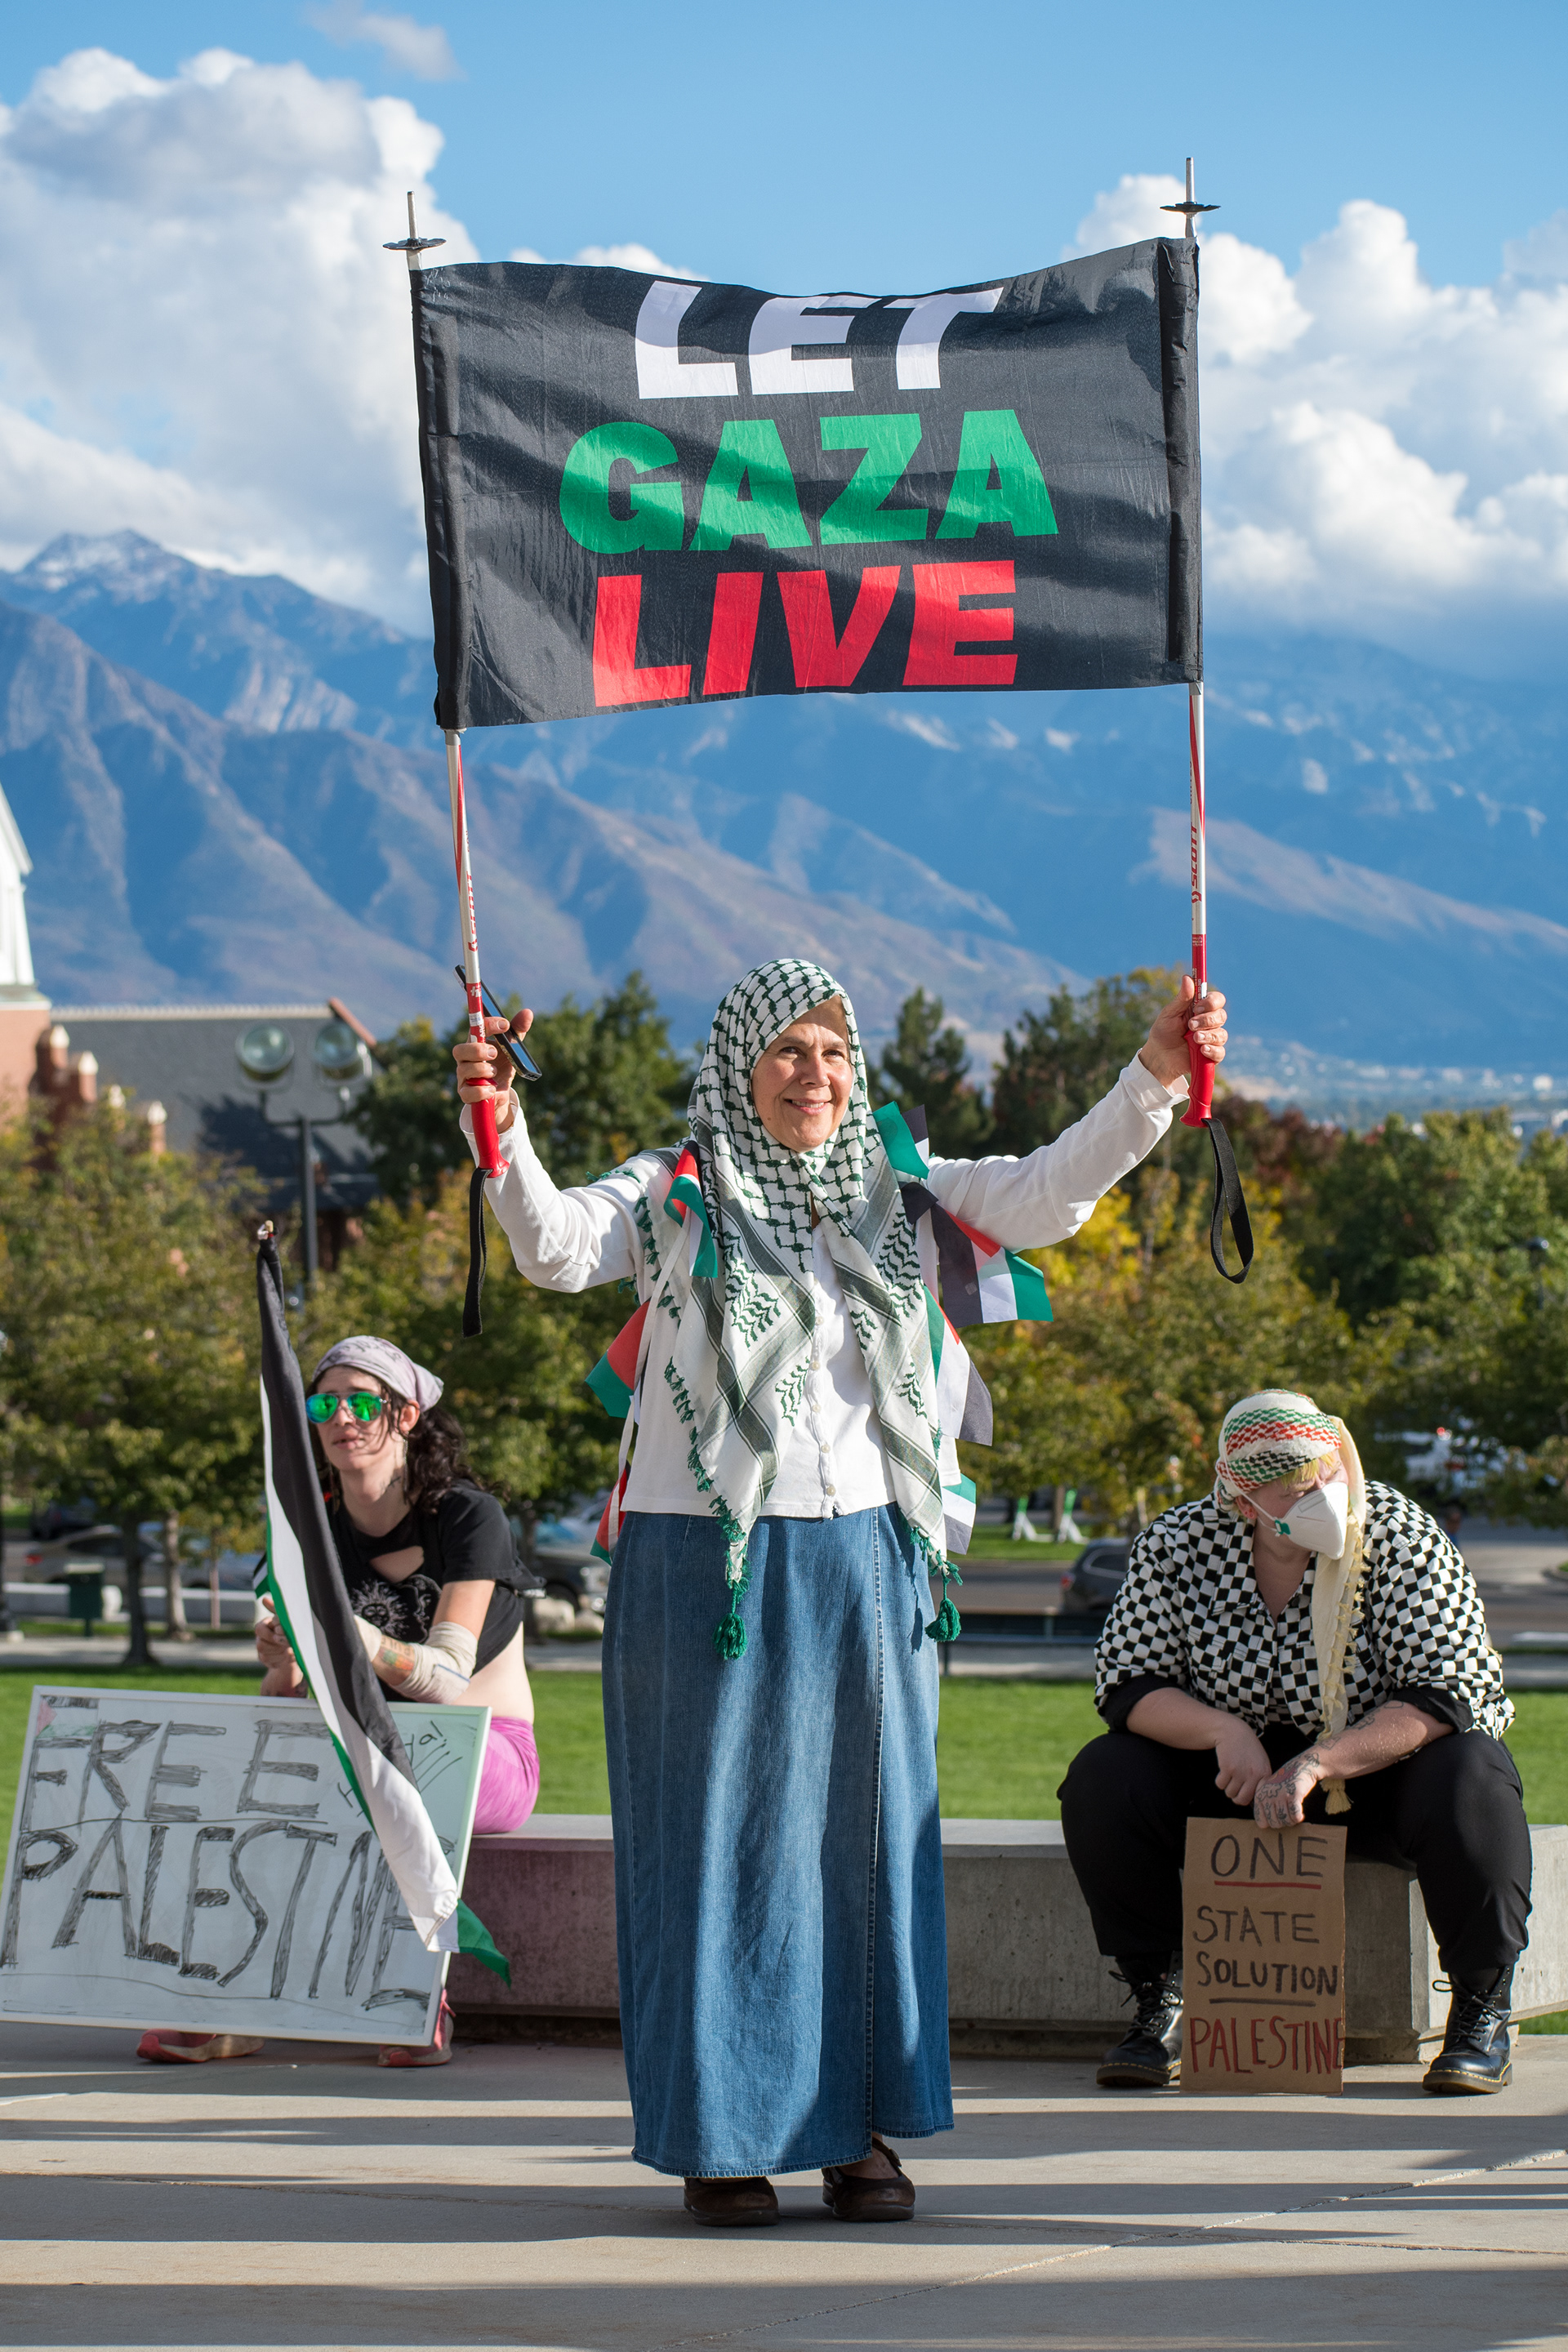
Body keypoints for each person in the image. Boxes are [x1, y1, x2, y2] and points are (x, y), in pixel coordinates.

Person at [455, 956, 1227, 2224]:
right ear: (739, 1067)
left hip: (872, 1555)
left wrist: (1156, 1074)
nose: (814, 1076)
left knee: (868, 1847)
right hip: (704, 1564)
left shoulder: (900, 1193)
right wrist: (500, 1119)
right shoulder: (671, 1191)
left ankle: (861, 2128)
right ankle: (724, 2137)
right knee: (718, 1850)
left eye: (833, 1054)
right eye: (788, 1052)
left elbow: (1046, 1192)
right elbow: (551, 1246)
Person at [1058, 1389, 1530, 2098]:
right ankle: (1164, 2003)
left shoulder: (1399, 1535)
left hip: (1373, 1772)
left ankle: (1481, 2011)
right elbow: (1128, 1683)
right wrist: (1226, 1732)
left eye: (1326, 1477)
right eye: (1298, 1492)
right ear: (1246, 1503)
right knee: (1104, 1776)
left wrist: (1319, 1761)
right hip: (1233, 1776)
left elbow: (1446, 1691)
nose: (1323, 1498)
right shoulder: (1179, 1542)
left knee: (1472, 1772)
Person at [136, 1334, 538, 2069]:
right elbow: (285, 1703)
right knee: (252, 1766)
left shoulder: (467, 1518)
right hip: (357, 1750)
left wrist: (350, 1635)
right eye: (325, 1404)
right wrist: (286, 1657)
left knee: (391, 1773)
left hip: (484, 1752)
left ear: (407, 1414)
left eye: (363, 1401)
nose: (341, 1418)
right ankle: (230, 1996)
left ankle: (417, 1992)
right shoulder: (303, 1527)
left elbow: (447, 1679)